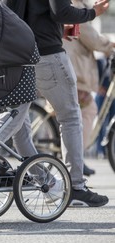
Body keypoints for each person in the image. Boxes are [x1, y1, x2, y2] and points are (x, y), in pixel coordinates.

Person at [6, 0, 110, 207]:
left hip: (19, 54)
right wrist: (93, 13)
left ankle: (47, 183)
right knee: (70, 118)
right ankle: (76, 186)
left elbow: (17, 13)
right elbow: (61, 11)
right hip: (48, 55)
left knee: (18, 123)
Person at [63, 0, 115, 176]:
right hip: (76, 71)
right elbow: (91, 38)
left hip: (70, 66)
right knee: (87, 111)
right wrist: (110, 45)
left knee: (74, 114)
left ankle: (75, 159)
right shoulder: (77, 8)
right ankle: (76, 159)